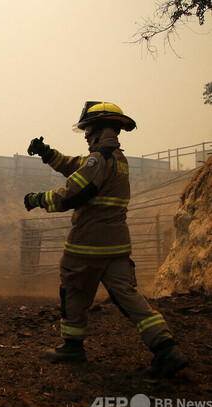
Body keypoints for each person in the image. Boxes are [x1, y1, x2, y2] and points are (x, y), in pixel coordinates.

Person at [24, 101, 188, 378]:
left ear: (99, 131)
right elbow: (74, 166)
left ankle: (72, 347)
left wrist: (39, 199)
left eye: (88, 131)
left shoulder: (98, 160)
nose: (86, 137)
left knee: (73, 287)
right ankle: (166, 348)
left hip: (88, 242)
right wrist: (47, 153)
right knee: (128, 295)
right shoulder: (117, 160)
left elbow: (74, 192)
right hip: (117, 245)